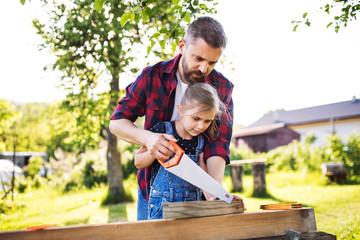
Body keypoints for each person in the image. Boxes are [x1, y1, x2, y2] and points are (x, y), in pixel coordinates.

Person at [109, 16, 237, 220]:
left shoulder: (222, 87)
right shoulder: (152, 76)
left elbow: (218, 143)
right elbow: (117, 123)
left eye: (212, 62)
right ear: (182, 46)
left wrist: (213, 190)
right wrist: (148, 139)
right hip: (153, 194)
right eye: (198, 59)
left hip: (199, 195)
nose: (204, 69)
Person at [134, 82, 225, 219]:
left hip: (192, 210)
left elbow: (202, 177)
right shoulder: (163, 131)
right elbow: (138, 162)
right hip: (162, 210)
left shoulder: (200, 140)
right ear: (181, 110)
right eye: (196, 118)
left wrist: (219, 196)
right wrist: (153, 152)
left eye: (207, 121)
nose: (201, 126)